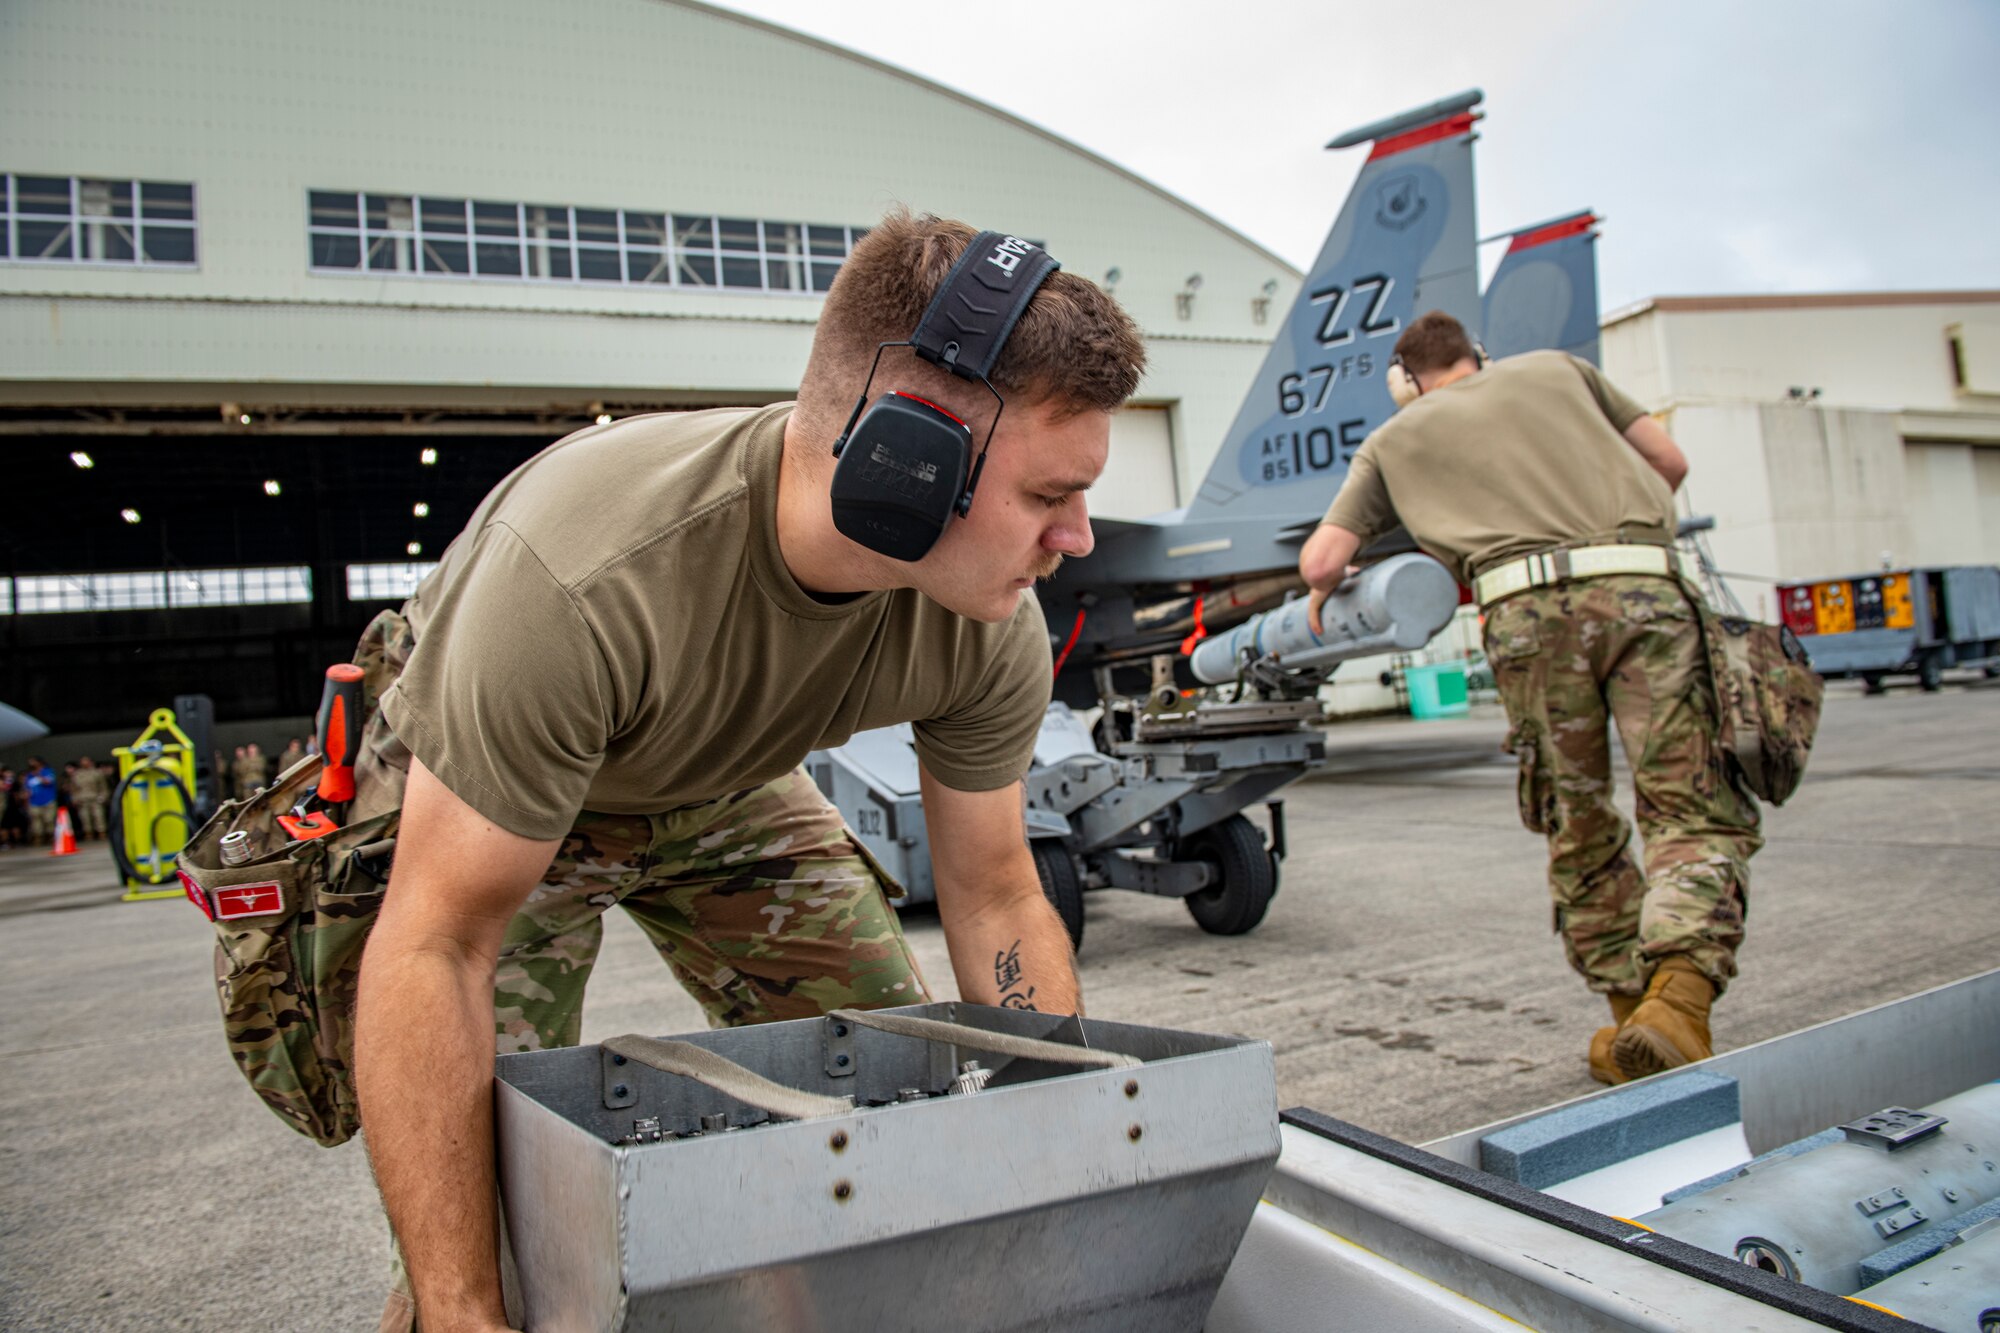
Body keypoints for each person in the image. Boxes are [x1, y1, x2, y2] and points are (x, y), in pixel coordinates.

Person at [347, 210, 1145, 1332]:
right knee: (506, 1226)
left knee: (893, 1094)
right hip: (499, 789)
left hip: (722, 777)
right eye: (1045, 495)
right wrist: (462, 1311)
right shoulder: (583, 578)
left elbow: (996, 890)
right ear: (901, 471)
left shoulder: (987, 622)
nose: (1078, 539)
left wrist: (1066, 1169)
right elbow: (435, 942)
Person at [1299, 311, 1760, 1090]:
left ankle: (1629, 1016)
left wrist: (1324, 594)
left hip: (1527, 617)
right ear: (1480, 353)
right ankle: (1677, 1003)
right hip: (1644, 585)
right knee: (1688, 805)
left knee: (1578, 820)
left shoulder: (1392, 438)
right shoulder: (1560, 368)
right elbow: (1670, 462)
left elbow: (1323, 559)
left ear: (1406, 380)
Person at [68, 756, 111, 841]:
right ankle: (88, 833)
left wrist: (103, 796)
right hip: (83, 799)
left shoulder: (97, 773)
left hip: (95, 797)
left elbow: (103, 787)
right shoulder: (77, 774)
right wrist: (74, 799)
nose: (84, 763)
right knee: (85, 817)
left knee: (98, 816)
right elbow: (74, 789)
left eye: (86, 761)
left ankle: (101, 832)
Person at [21, 757, 58, 846]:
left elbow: (48, 782)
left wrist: (38, 775)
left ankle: (51, 836)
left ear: (39, 762)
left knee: (49, 820)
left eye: (33, 762)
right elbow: (27, 789)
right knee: (36, 821)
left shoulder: (48, 771)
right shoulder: (29, 776)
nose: (31, 764)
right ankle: (39, 838)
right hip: (34, 802)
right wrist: (26, 801)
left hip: (48, 800)